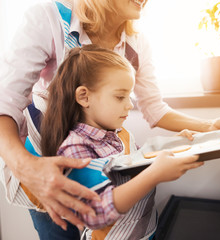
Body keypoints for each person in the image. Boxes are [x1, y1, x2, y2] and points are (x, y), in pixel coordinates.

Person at [0, 0, 220, 238]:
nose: (129, 105)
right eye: (120, 97)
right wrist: (25, 167)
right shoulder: (48, 18)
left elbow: (154, 108)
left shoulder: (136, 44)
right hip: (46, 171)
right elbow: (5, 102)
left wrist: (208, 127)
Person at [36, 44, 203, 239]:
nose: (130, 104)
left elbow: (139, 159)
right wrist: (154, 175)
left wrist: (173, 144)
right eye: (120, 96)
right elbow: (95, 212)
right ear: (84, 96)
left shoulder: (118, 133)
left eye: (129, 96)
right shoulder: (75, 149)